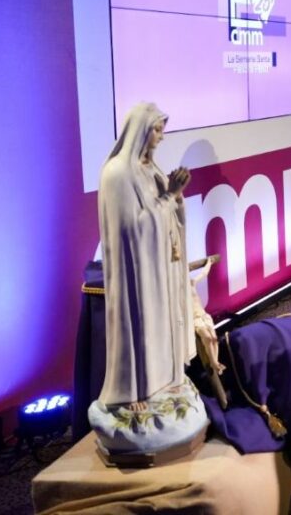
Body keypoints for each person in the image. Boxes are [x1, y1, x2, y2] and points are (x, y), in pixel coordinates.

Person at [98, 103, 199, 410]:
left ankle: (164, 383)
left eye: (162, 130)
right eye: (157, 129)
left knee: (163, 326)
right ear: (140, 130)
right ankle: (132, 393)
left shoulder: (150, 168)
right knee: (141, 330)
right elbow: (134, 229)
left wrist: (175, 196)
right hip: (136, 277)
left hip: (159, 269)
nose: (162, 137)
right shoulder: (118, 174)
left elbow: (167, 215)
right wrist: (171, 195)